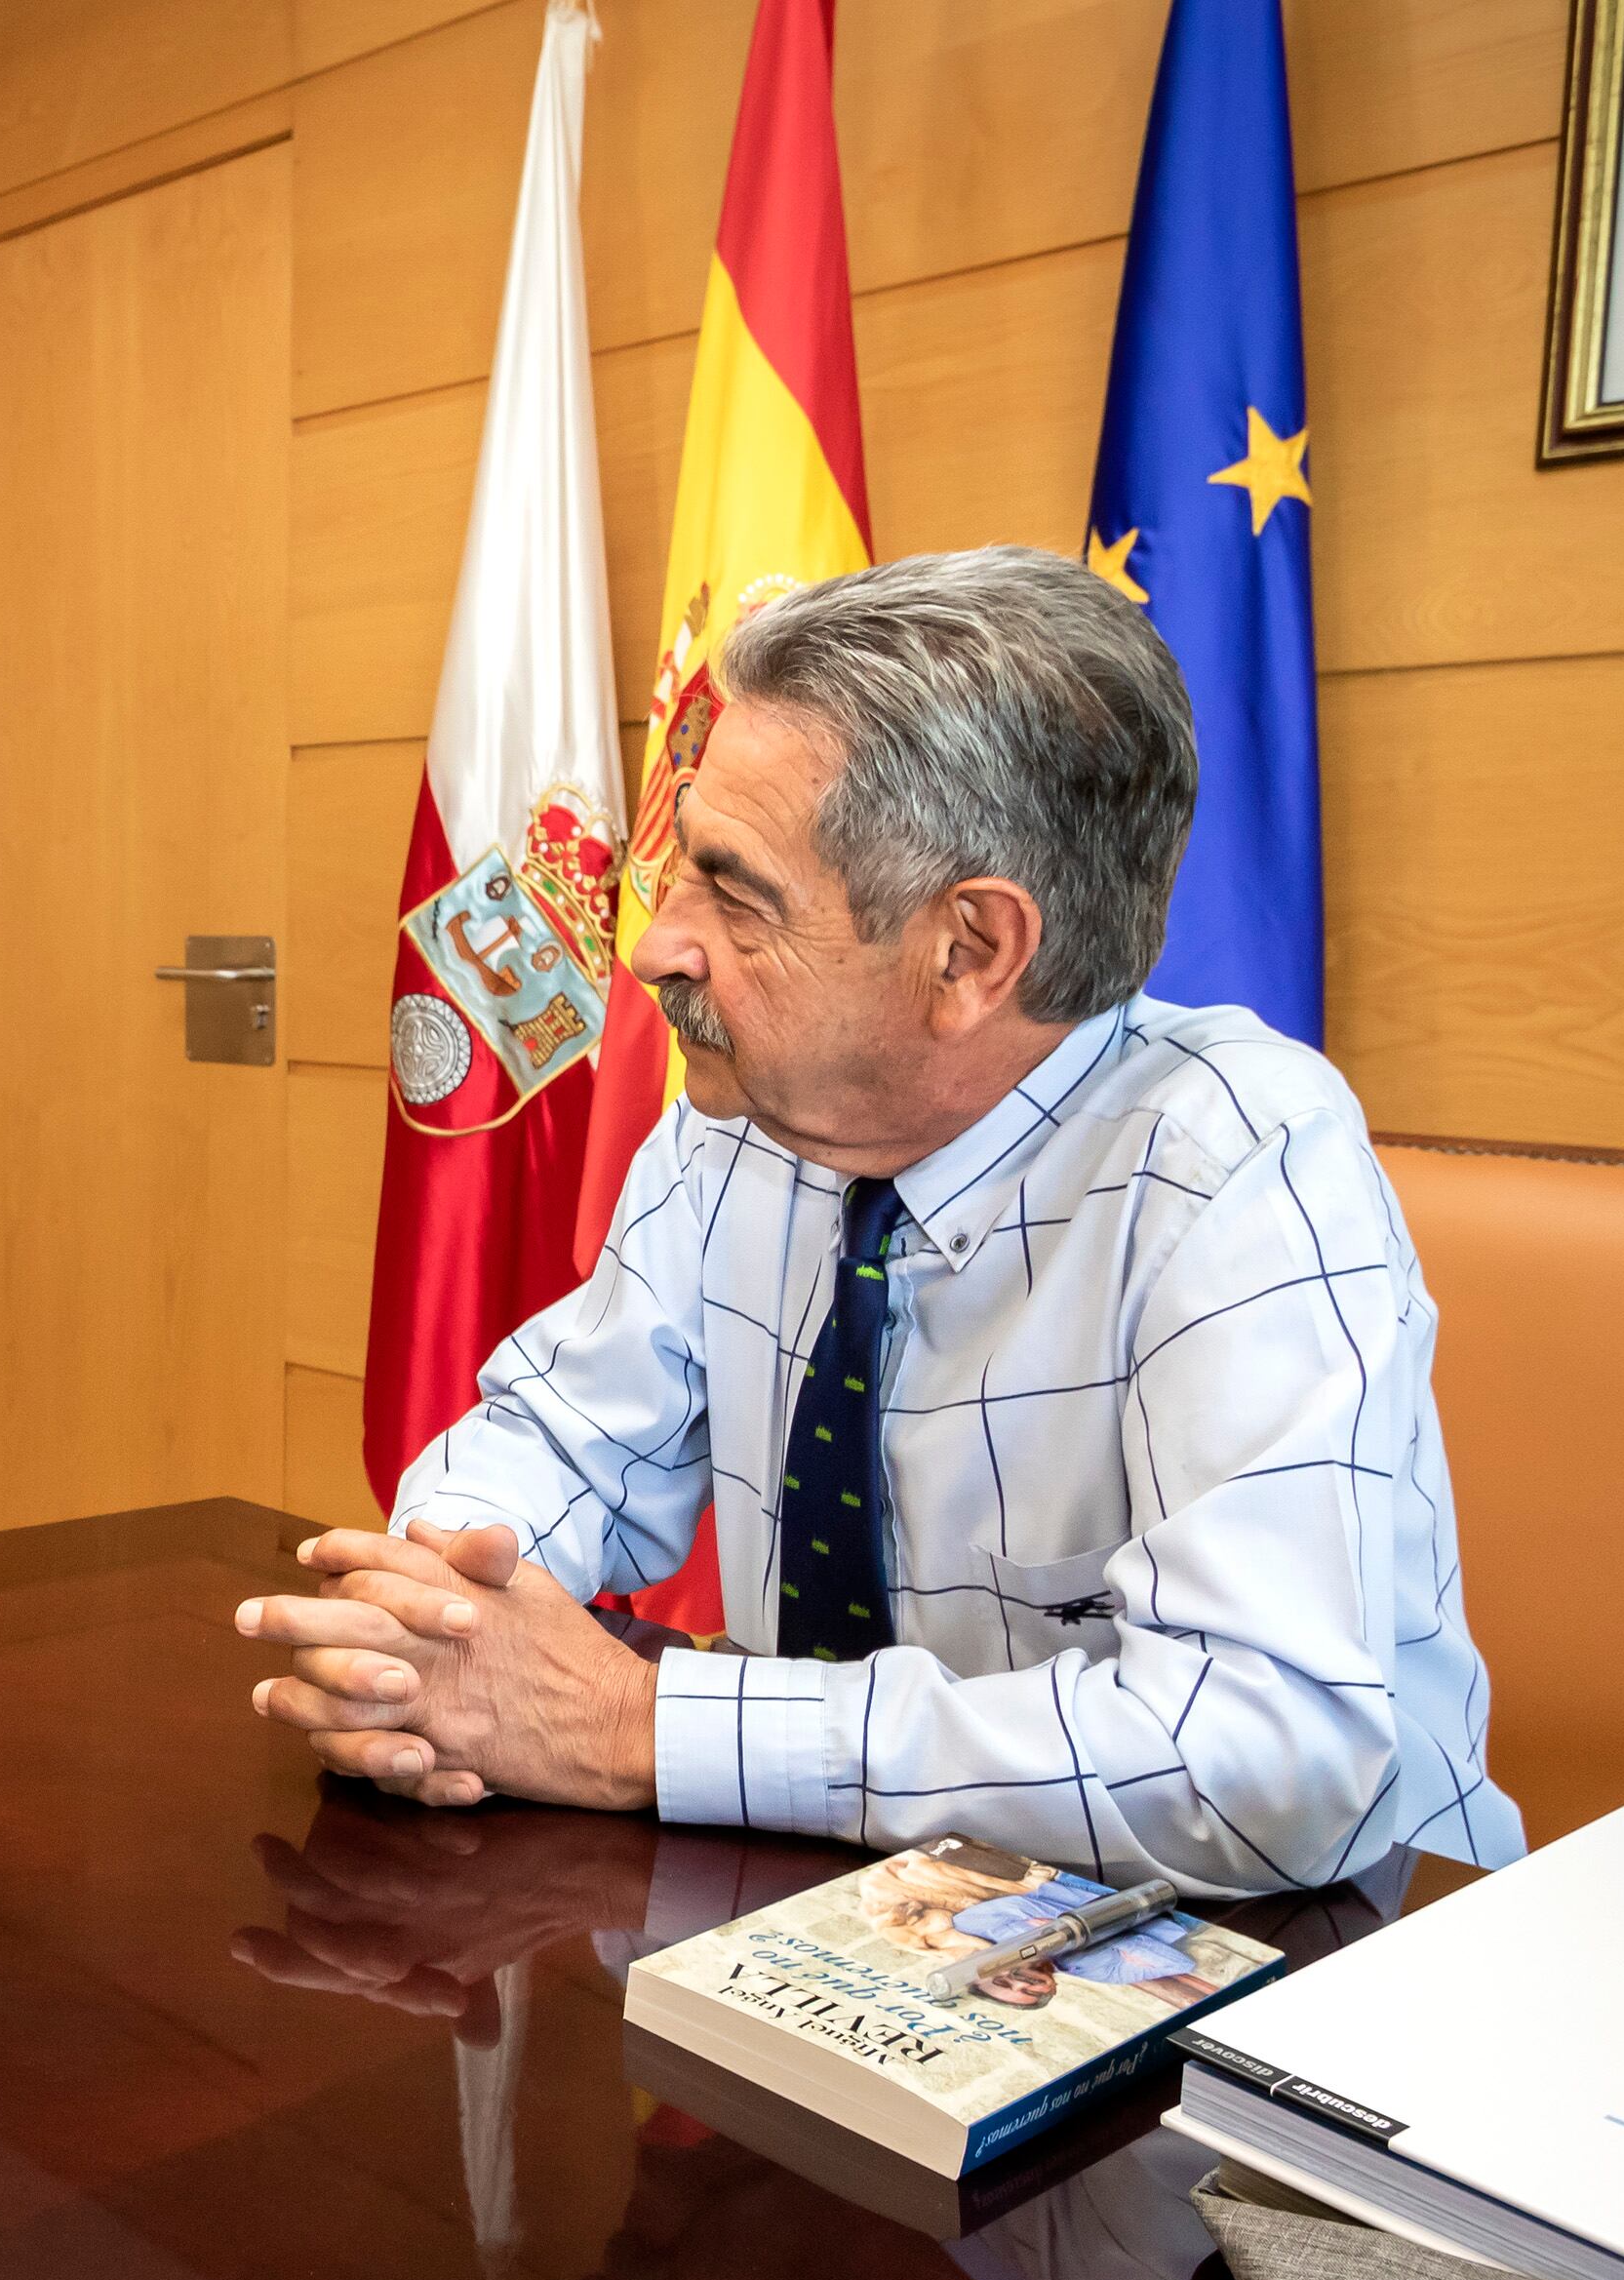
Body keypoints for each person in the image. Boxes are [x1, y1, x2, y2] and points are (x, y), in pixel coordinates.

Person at [239, 546, 1520, 1897]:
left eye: (734, 892)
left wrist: (641, 1729)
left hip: (1313, 1979)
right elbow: (553, 1442)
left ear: (971, 950)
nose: (655, 945)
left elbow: (1265, 1761)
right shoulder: (750, 1120)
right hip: (857, 1929)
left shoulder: (1238, 1164)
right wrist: (436, 1632)